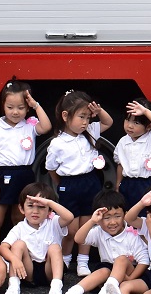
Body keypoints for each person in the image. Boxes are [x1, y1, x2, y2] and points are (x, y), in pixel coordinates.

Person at [43, 90, 115, 277]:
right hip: (69, 184)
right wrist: (62, 183)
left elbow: (108, 122)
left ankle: (83, 262)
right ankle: (65, 259)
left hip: (90, 182)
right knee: (71, 228)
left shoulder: (89, 132)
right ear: (65, 116)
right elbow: (50, 167)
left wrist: (98, 112)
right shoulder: (57, 143)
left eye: (88, 118)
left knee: (88, 225)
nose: (85, 122)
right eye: (81, 117)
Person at [0, 80, 53, 245]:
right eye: (10, 107)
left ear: (27, 108)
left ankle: (20, 252)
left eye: (21, 108)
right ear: (3, 106)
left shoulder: (30, 126)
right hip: (2, 176)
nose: (15, 112)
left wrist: (36, 105)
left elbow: (47, 126)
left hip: (25, 175)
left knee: (20, 217)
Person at [63, 189, 150, 294]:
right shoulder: (99, 231)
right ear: (99, 219)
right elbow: (78, 239)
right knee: (104, 270)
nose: (112, 222)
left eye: (117, 216)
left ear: (125, 215)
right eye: (107, 217)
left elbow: (144, 261)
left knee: (121, 259)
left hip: (131, 275)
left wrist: (130, 278)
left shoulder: (132, 234)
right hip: (108, 272)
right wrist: (92, 221)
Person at [0, 182, 74, 294]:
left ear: (50, 210)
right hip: (27, 271)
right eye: (30, 206)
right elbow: (3, 247)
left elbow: (69, 217)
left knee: (54, 247)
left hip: (49, 270)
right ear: (21, 208)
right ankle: (13, 285)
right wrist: (14, 259)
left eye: (41, 206)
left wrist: (49, 202)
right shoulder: (20, 227)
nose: (35, 211)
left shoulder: (54, 222)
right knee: (18, 244)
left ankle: (56, 286)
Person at [115, 98, 151, 209]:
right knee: (129, 212)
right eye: (127, 120)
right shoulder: (123, 141)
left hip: (149, 184)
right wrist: (118, 184)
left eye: (136, 122)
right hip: (128, 183)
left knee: (148, 214)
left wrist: (145, 112)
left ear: (149, 126)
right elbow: (120, 164)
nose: (130, 125)